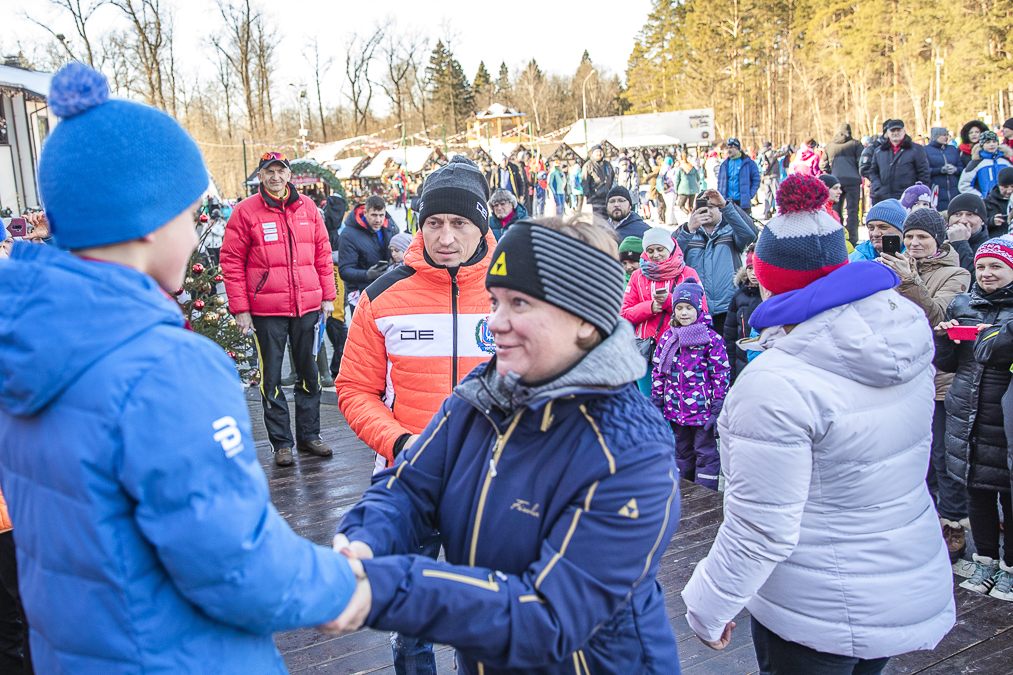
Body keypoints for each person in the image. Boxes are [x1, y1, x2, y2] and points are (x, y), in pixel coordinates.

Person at [0, 61, 357, 674]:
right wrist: (341, 585)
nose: (197, 238)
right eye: (191, 217)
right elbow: (234, 562)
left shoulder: (27, 346)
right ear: (146, 222)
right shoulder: (167, 369)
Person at [329, 215, 683, 674]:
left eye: (519, 303)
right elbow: (410, 486)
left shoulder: (632, 454)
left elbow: (548, 617)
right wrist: (362, 542)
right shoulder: (486, 388)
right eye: (495, 301)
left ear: (585, 320)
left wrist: (387, 586)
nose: (494, 322)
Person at [683, 173, 955, 673]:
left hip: (815, 604)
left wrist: (709, 603)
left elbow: (761, 526)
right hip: (897, 579)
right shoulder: (905, 330)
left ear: (767, 277)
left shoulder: (775, 384)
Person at [334, 156, 496, 673]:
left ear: (482, 224)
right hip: (411, 478)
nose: (445, 237)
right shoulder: (382, 296)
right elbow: (355, 389)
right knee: (412, 624)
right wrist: (401, 444)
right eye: (433, 223)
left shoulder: (510, 292)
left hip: (492, 481)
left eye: (459, 223)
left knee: (488, 616)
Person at [221, 151, 337, 468]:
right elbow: (231, 262)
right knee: (271, 378)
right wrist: (240, 309)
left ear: (289, 175)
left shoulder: (308, 208)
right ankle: (281, 444)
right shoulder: (245, 212)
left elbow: (324, 255)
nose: (275, 177)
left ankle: (309, 435)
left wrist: (328, 296)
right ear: (260, 176)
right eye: (269, 171)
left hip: (308, 307)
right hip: (266, 310)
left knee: (309, 374)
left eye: (280, 171)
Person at [878, 209, 971, 562]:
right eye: (910, 236)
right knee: (913, 456)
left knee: (944, 456)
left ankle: (953, 525)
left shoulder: (958, 273)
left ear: (938, 241)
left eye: (922, 238)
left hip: (940, 379)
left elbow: (938, 317)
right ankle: (923, 522)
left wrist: (909, 281)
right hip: (902, 375)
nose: (914, 243)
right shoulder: (893, 267)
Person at [934, 236, 1013, 600]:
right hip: (966, 412)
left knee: (1008, 497)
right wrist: (947, 338)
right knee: (976, 493)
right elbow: (948, 363)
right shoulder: (963, 304)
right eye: (981, 267)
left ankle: (1010, 567)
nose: (987, 273)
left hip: (1004, 417)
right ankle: (984, 559)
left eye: (996, 266)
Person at [650, 280, 729, 491]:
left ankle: (706, 495)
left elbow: (720, 372)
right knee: (681, 452)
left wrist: (717, 404)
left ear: (698, 308)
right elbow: (659, 371)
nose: (684, 313)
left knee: (705, 453)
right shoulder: (668, 338)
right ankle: (685, 492)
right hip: (676, 409)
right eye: (679, 308)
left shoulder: (711, 339)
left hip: (702, 411)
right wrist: (657, 400)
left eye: (689, 308)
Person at [622, 227, 703, 396]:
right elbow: (624, 313)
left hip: (681, 349)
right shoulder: (638, 276)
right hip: (647, 351)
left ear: (670, 248)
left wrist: (669, 302)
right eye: (650, 250)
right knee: (650, 400)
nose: (655, 255)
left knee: (677, 401)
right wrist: (649, 308)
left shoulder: (687, 273)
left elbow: (701, 311)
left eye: (660, 249)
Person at [675, 189, 758, 334]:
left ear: (720, 210)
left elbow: (750, 236)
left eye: (712, 206)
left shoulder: (731, 231)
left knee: (727, 352)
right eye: (702, 207)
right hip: (694, 309)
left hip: (727, 307)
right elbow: (670, 257)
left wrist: (726, 206)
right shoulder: (687, 232)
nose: (707, 211)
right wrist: (689, 229)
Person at [337, 195, 399, 312]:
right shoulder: (348, 234)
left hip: (387, 290)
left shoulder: (390, 226)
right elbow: (344, 271)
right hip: (361, 294)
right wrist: (367, 274)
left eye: (381, 215)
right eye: (374, 215)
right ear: (365, 213)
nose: (378, 220)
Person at [723, 242, 762, 384]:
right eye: (750, 268)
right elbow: (730, 332)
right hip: (741, 362)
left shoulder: (770, 296)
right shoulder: (738, 296)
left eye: (757, 268)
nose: (753, 273)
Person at [868, 119, 931, 204]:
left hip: (908, 198)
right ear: (888, 132)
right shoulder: (879, 151)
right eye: (892, 130)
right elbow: (873, 171)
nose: (895, 133)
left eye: (898, 130)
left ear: (904, 131)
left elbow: (923, 173)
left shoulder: (916, 150)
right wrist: (878, 188)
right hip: (884, 197)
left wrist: (918, 193)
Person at [821, 123, 864, 244]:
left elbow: (822, 164)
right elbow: (861, 162)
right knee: (853, 211)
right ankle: (852, 239)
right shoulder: (856, 144)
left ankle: (838, 237)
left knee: (835, 210)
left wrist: (832, 173)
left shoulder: (830, 146)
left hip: (836, 181)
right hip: (853, 181)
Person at [958, 130, 1013, 198]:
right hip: (987, 202)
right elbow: (964, 185)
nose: (992, 144)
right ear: (982, 145)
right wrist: (980, 197)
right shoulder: (976, 163)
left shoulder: (1005, 161)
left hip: (1006, 200)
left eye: (994, 142)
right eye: (988, 142)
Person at [946, 193, 991, 273]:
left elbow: (974, 278)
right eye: (957, 214)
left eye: (970, 214)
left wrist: (960, 243)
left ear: (982, 221)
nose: (963, 220)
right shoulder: (938, 242)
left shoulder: (990, 249)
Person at [926, 127, 963, 213]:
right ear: (936, 136)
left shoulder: (953, 149)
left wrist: (955, 170)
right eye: (943, 135)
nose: (946, 137)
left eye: (947, 135)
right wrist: (940, 170)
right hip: (936, 189)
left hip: (954, 189)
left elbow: (961, 167)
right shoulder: (926, 150)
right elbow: (925, 170)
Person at [716, 138, 761, 209]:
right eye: (727, 148)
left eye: (731, 148)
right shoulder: (724, 164)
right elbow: (720, 182)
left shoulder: (748, 163)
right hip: (727, 202)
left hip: (742, 202)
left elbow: (756, 179)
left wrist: (750, 194)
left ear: (737, 148)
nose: (728, 150)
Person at [581, 144, 616, 217]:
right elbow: (585, 182)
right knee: (599, 219)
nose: (599, 153)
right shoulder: (588, 165)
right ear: (593, 153)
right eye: (597, 151)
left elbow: (613, 177)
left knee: (609, 218)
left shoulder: (607, 164)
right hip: (596, 197)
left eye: (600, 151)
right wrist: (589, 196)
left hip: (608, 196)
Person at [983, 167, 1013, 237]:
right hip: (995, 241)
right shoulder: (987, 203)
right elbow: (977, 227)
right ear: (999, 185)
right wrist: (991, 221)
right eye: (1005, 187)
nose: (1009, 191)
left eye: (1012, 187)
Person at [674, 151, 701, 215]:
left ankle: (689, 214)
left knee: (681, 205)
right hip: (693, 189)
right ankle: (692, 215)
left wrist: (676, 189)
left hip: (683, 189)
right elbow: (698, 178)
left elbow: (677, 180)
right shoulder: (692, 167)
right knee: (691, 205)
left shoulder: (680, 168)